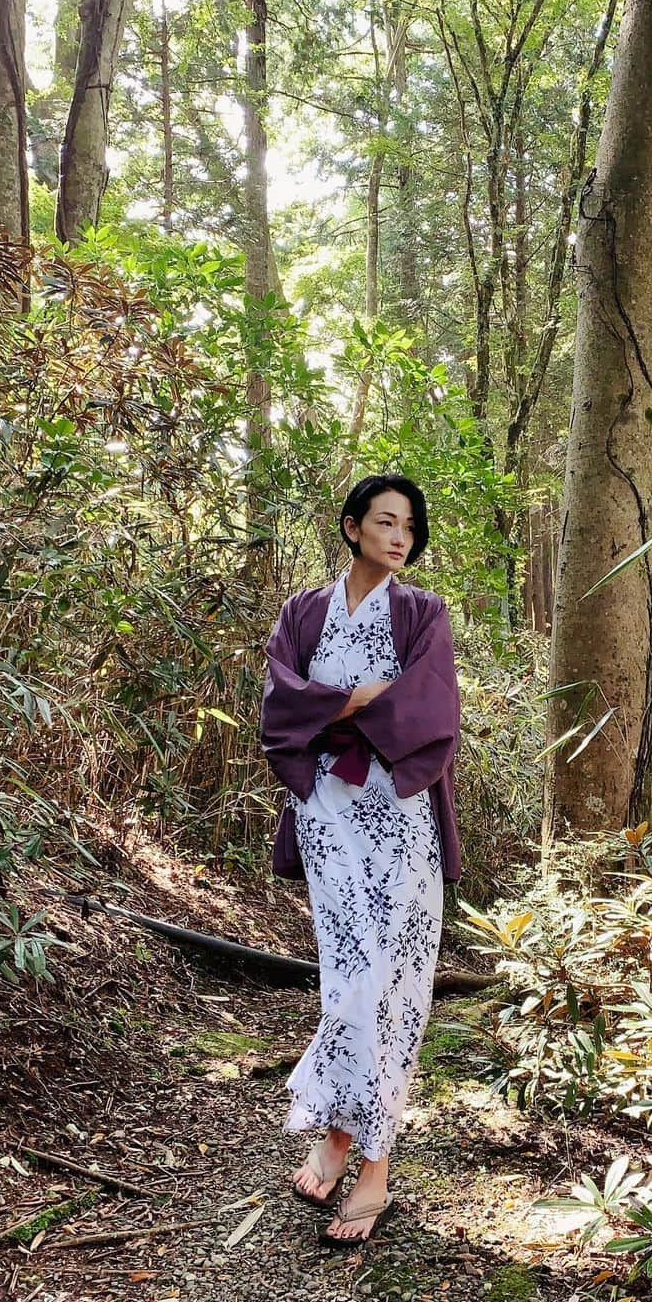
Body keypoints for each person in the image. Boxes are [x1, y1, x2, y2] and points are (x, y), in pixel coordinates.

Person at [260, 474, 461, 1246]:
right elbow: (282, 704)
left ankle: (371, 1157)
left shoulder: (422, 612)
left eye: (410, 525)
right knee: (347, 977)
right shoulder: (303, 612)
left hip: (401, 811)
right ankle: (340, 1134)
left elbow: (430, 709)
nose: (401, 536)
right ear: (351, 527)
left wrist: (331, 700)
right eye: (386, 521)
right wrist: (351, 699)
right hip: (326, 808)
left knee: (395, 979)